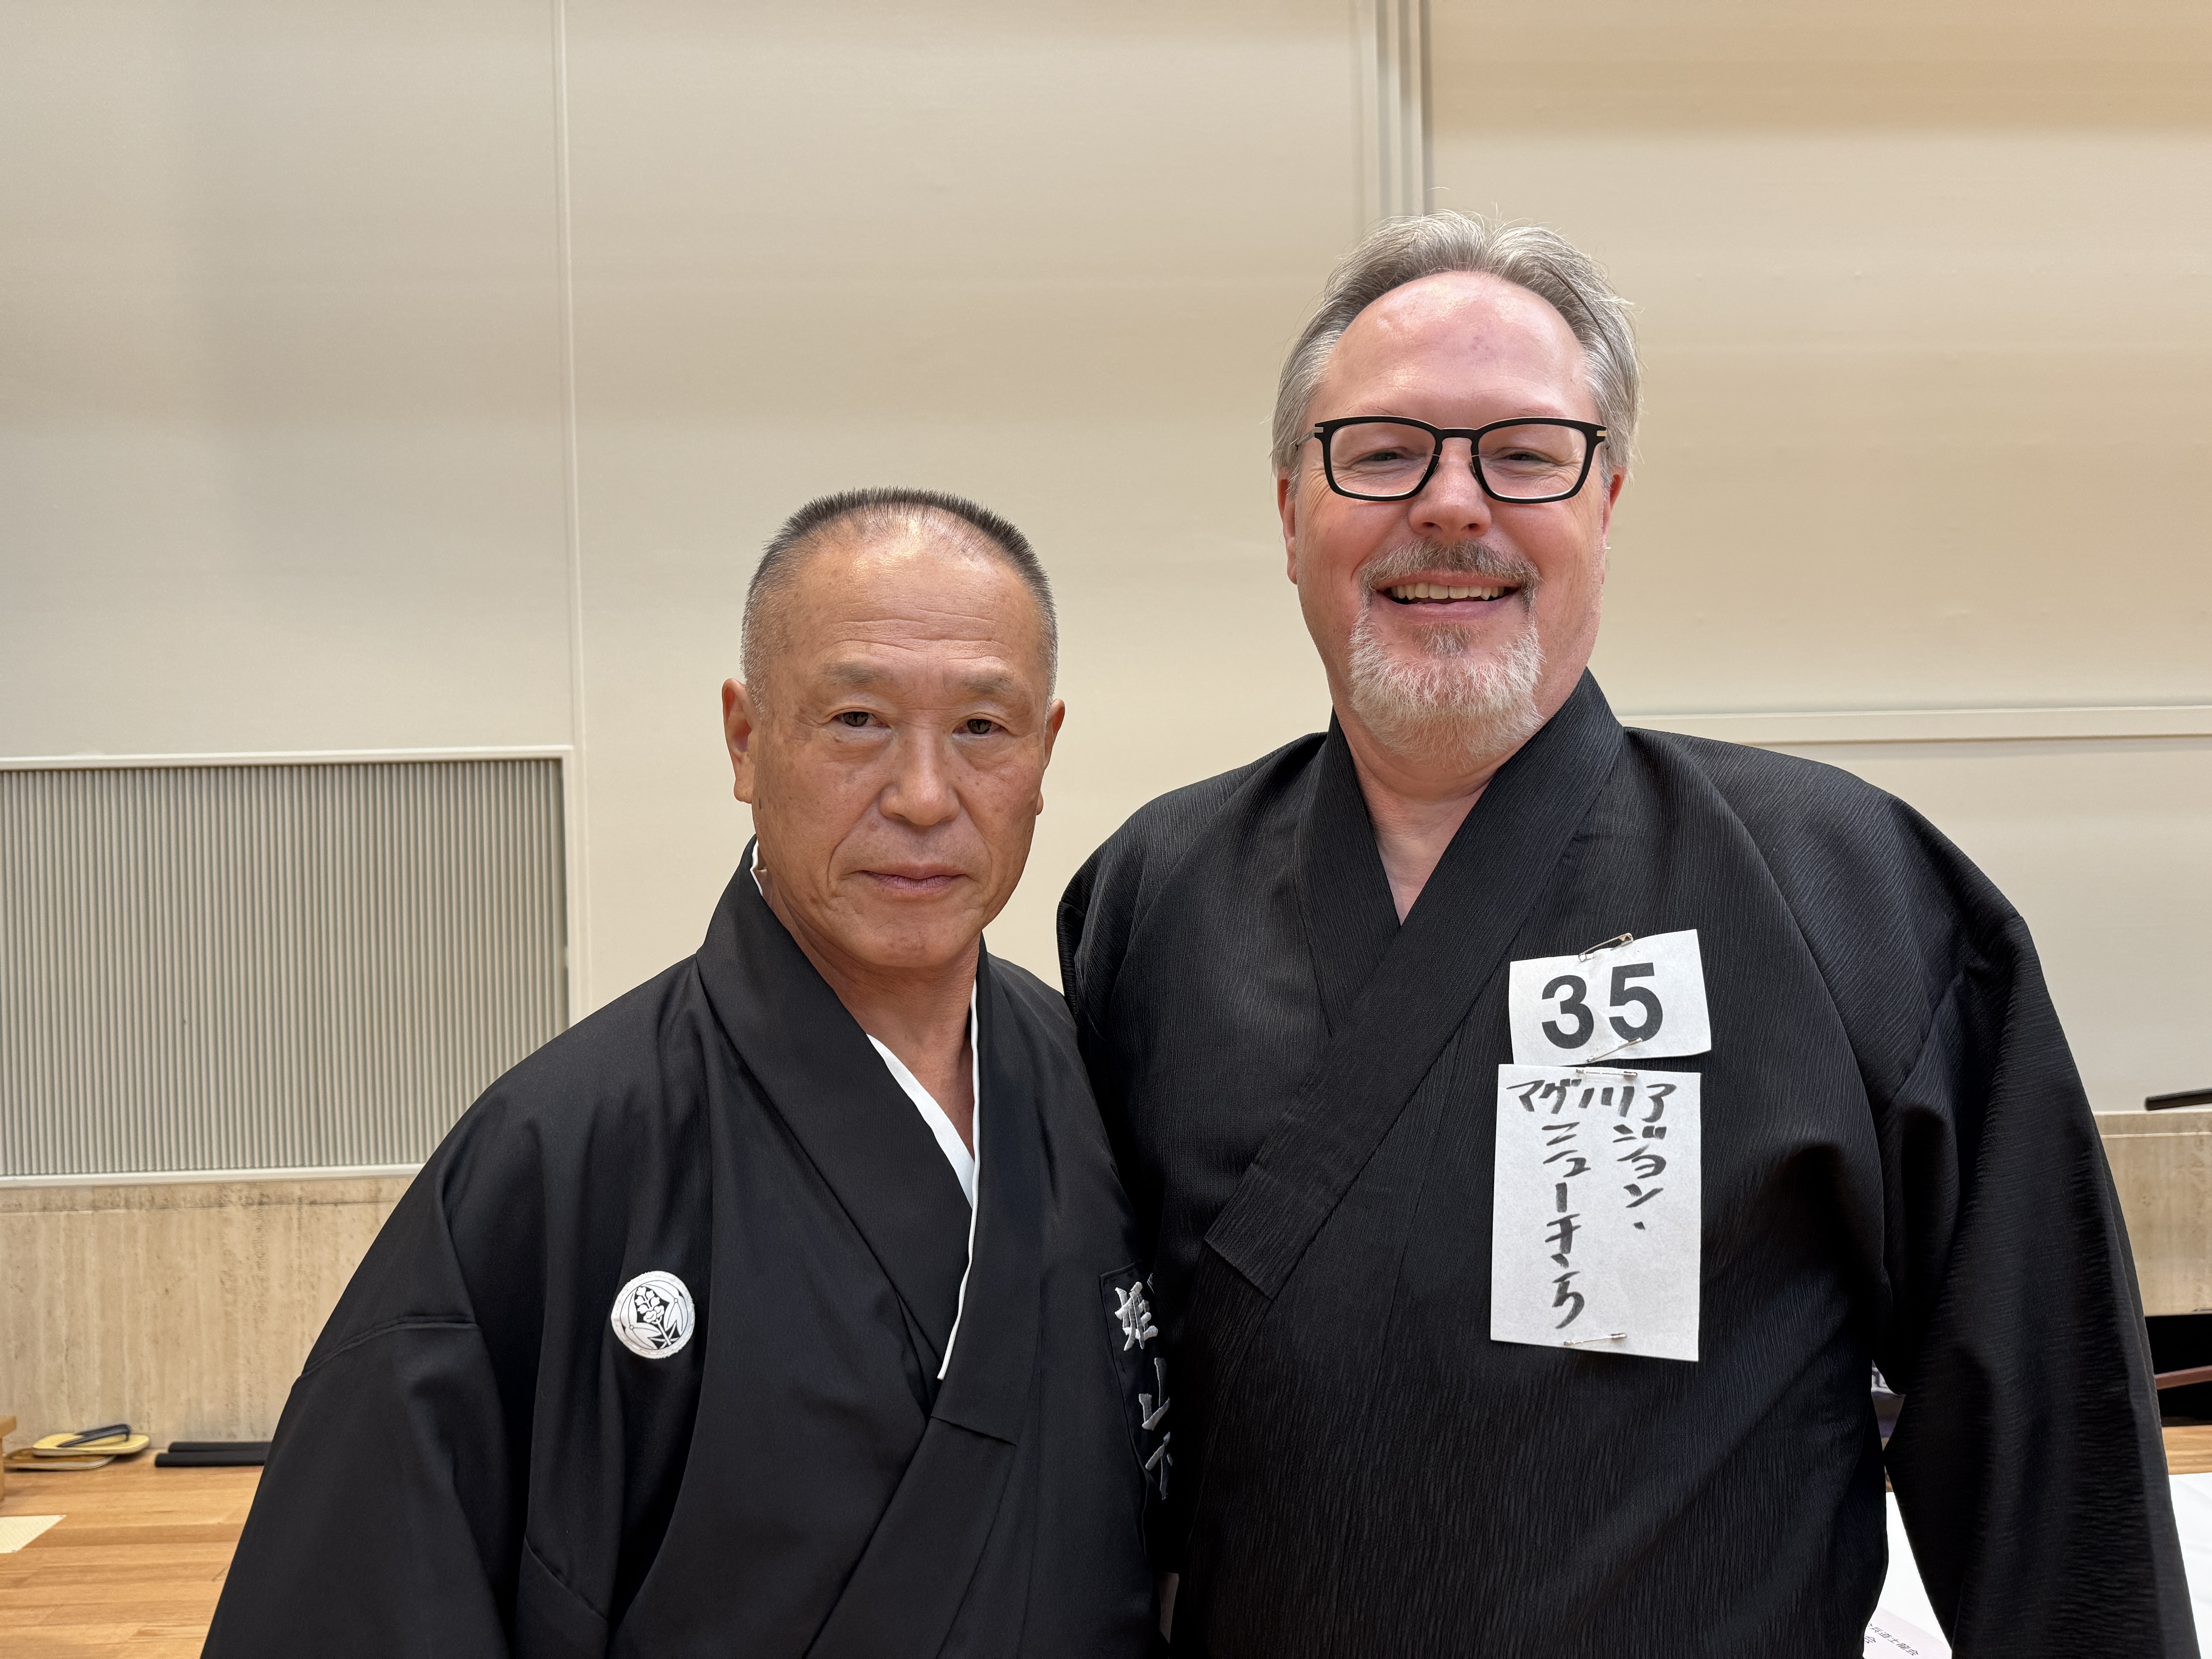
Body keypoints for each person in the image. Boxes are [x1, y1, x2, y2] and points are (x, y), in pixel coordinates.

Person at [1058, 214, 2193, 1657]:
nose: (1453, 506)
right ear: (1292, 510)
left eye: (1526, 454)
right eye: (1383, 451)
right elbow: (1094, 1428)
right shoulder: (1151, 895)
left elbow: (2049, 1445)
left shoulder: (1850, 886)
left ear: (1606, 502)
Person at [210, 488, 1160, 1657]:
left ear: (1044, 752)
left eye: (981, 729)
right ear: (746, 738)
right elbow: (363, 1595)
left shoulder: (1098, 1087)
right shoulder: (557, 1153)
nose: (923, 794)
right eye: (857, 718)